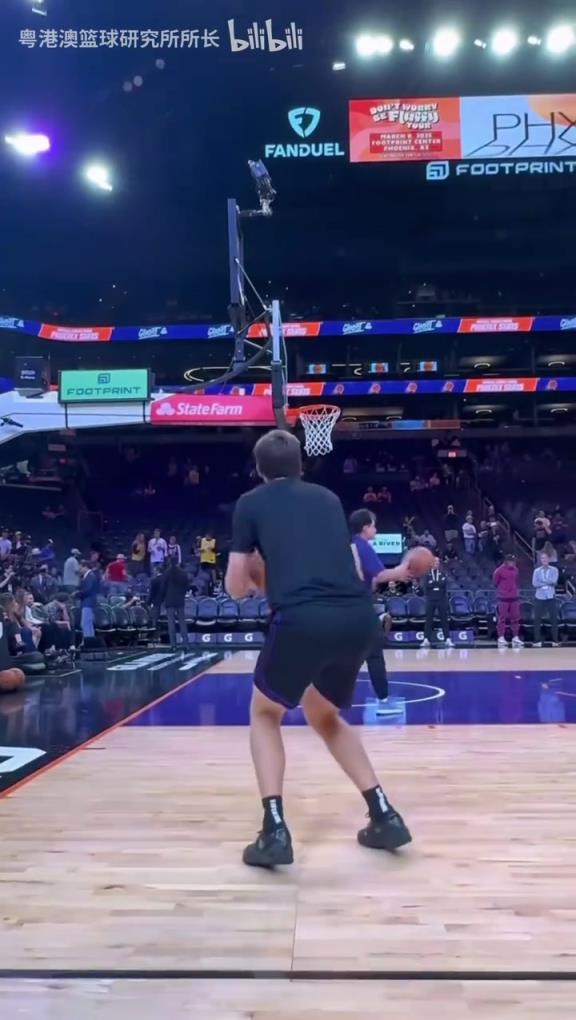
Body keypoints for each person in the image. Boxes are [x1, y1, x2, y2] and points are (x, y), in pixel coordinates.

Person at [225, 429, 412, 869]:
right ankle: (384, 814)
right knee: (324, 716)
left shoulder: (250, 503)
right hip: (358, 618)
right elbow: (339, 562)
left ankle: (274, 831)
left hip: (304, 619)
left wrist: (255, 575)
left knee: (264, 714)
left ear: (259, 469)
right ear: (300, 466)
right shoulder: (328, 499)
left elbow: (235, 587)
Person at [349, 509, 409, 711]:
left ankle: (318, 693)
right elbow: (381, 575)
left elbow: (371, 581)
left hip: (344, 607)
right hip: (359, 608)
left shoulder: (350, 545)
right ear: (365, 527)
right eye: (373, 525)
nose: (376, 529)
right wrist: (403, 569)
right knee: (374, 652)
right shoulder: (362, 546)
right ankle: (383, 701)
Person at [421, 557, 453, 648]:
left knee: (444, 619)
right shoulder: (427, 575)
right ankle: (426, 639)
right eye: (435, 562)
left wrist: (434, 584)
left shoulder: (442, 574)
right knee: (429, 619)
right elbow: (427, 585)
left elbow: (443, 584)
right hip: (430, 599)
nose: (436, 564)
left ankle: (447, 639)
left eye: (438, 562)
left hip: (441, 599)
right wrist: (436, 584)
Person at [493, 554, 523, 648]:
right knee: (502, 618)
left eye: (513, 561)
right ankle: (501, 637)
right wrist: (503, 591)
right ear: (506, 561)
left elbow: (516, 581)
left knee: (515, 618)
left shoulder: (516, 570)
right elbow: (495, 582)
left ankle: (515, 637)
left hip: (514, 597)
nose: (512, 563)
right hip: (503, 598)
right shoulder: (499, 571)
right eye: (510, 561)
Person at [160, 557, 190, 651]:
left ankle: (173, 645)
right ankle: (186, 644)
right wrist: (182, 594)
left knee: (171, 624)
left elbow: (163, 587)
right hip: (180, 600)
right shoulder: (183, 573)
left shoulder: (166, 573)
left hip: (169, 600)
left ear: (169, 563)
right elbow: (186, 586)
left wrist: (163, 598)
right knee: (182, 623)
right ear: (177, 562)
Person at [532, 552, 560, 647]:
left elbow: (554, 582)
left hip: (551, 596)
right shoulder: (536, 571)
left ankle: (555, 641)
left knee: (554, 619)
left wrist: (542, 582)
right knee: (537, 619)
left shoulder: (554, 570)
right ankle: (537, 641)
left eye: (545, 558)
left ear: (548, 559)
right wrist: (548, 583)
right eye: (542, 558)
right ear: (541, 560)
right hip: (539, 597)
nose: (544, 560)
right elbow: (534, 584)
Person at [78, 561, 101, 640]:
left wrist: (78, 594)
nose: (79, 570)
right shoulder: (89, 576)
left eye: (80, 568)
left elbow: (87, 590)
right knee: (88, 624)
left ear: (85, 567)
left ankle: (87, 642)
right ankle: (91, 641)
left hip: (88, 603)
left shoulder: (90, 576)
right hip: (88, 603)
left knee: (85, 624)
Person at [149, 565, 165, 633]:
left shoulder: (154, 580)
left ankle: (154, 632)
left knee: (155, 617)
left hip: (157, 601)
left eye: (154, 570)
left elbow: (152, 593)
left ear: (157, 571)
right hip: (167, 601)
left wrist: (148, 602)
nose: (153, 571)